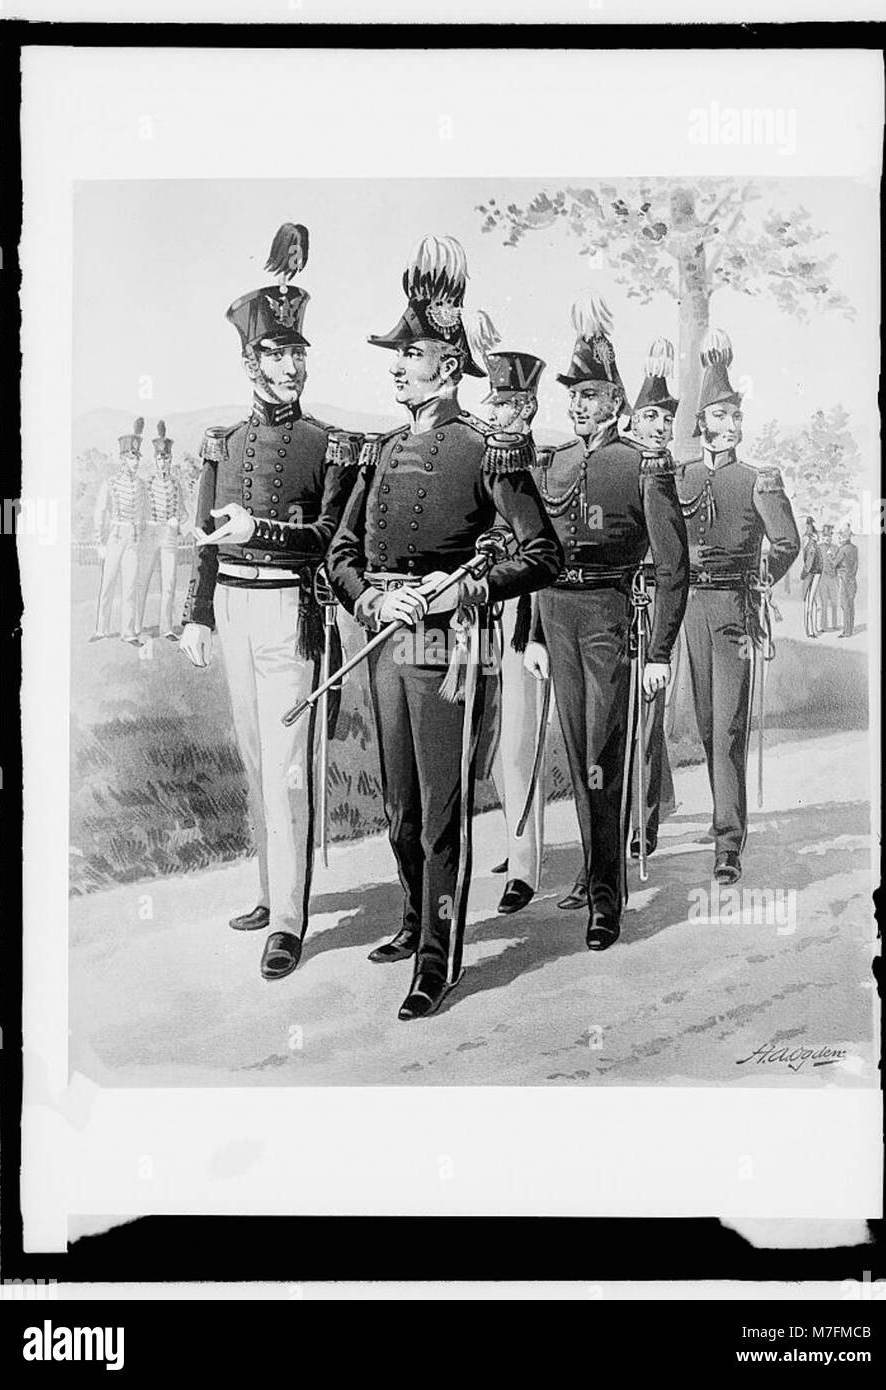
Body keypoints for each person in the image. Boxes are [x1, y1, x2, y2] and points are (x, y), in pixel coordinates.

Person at [326, 235, 562, 1020]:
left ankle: (438, 957)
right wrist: (368, 600)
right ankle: (411, 918)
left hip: (450, 642)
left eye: (414, 352)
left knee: (440, 807)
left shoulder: (487, 452)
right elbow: (342, 553)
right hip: (383, 639)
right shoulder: (382, 448)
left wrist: (454, 594)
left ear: (450, 364)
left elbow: (541, 553)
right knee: (397, 804)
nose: (398, 365)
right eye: (397, 353)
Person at [179, 222, 362, 981]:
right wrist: (194, 612)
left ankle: (289, 919)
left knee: (289, 770)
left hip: (292, 611)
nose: (291, 367)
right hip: (232, 607)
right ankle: (267, 891)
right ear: (249, 361)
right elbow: (203, 537)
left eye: (298, 353)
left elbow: (326, 537)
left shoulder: (330, 444)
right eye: (277, 354)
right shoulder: (221, 443)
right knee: (256, 762)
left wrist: (263, 528)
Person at [522, 295, 688, 949]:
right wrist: (533, 633)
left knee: (601, 754)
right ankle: (597, 869)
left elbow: (674, 567)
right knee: (574, 748)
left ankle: (605, 899)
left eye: (593, 394)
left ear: (616, 401)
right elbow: (537, 555)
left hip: (609, 614)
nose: (581, 405)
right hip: (556, 612)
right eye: (575, 393)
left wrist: (661, 652)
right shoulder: (554, 462)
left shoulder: (642, 464)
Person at [677, 328, 800, 885]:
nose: (729, 428)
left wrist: (761, 581)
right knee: (705, 725)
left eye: (736, 419)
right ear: (702, 422)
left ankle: (729, 842)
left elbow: (789, 544)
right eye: (719, 417)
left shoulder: (759, 480)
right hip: (689, 610)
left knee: (728, 728)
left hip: (734, 611)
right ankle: (719, 813)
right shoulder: (681, 477)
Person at [479, 345, 549, 915]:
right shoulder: (483, 460)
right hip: (478, 613)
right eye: (492, 401)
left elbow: (548, 558)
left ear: (525, 408)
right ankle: (511, 841)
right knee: (486, 744)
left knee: (518, 746)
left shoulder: (543, 468)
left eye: (503, 403)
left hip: (525, 616)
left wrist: (541, 637)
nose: (493, 412)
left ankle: (524, 868)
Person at [622, 338, 682, 862]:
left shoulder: (662, 471)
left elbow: (673, 567)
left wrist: (661, 647)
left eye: (666, 419)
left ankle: (643, 821)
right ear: (631, 421)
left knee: (646, 716)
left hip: (648, 610)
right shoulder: (620, 465)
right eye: (651, 417)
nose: (660, 427)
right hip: (609, 609)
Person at [90, 417, 145, 645]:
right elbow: (100, 512)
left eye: (137, 458)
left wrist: (140, 534)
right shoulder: (110, 483)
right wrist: (99, 542)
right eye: (132, 458)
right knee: (108, 584)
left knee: (130, 586)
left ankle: (128, 632)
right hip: (114, 537)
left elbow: (143, 513)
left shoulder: (141, 485)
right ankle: (102, 629)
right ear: (123, 459)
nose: (136, 463)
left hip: (132, 539)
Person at [136, 420, 183, 640]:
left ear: (170, 460)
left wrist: (177, 519)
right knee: (143, 580)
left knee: (169, 583)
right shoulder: (147, 482)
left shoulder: (176, 483)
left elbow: (183, 510)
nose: (163, 462)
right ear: (155, 460)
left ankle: (167, 628)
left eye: (166, 458)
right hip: (151, 534)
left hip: (170, 536)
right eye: (159, 458)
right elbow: (140, 508)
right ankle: (136, 625)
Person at [831, 522, 859, 638]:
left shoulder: (842, 549)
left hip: (843, 579)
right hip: (852, 579)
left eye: (840, 535)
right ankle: (850, 629)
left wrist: (829, 556)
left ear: (844, 537)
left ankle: (846, 632)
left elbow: (834, 563)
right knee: (851, 605)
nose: (839, 537)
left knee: (845, 605)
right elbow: (856, 565)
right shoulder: (854, 548)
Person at [800, 515, 822, 638]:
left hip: (814, 572)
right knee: (810, 602)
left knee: (812, 602)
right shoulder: (811, 543)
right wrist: (804, 573)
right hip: (813, 572)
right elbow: (809, 561)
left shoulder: (810, 542)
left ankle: (811, 629)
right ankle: (810, 630)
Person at [816, 522, 839, 632]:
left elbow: (838, 564)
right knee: (824, 602)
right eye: (825, 536)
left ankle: (835, 624)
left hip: (833, 578)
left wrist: (832, 557)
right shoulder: (818, 548)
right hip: (822, 578)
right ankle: (823, 626)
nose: (827, 538)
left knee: (834, 602)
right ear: (822, 536)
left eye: (829, 536)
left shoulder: (835, 548)